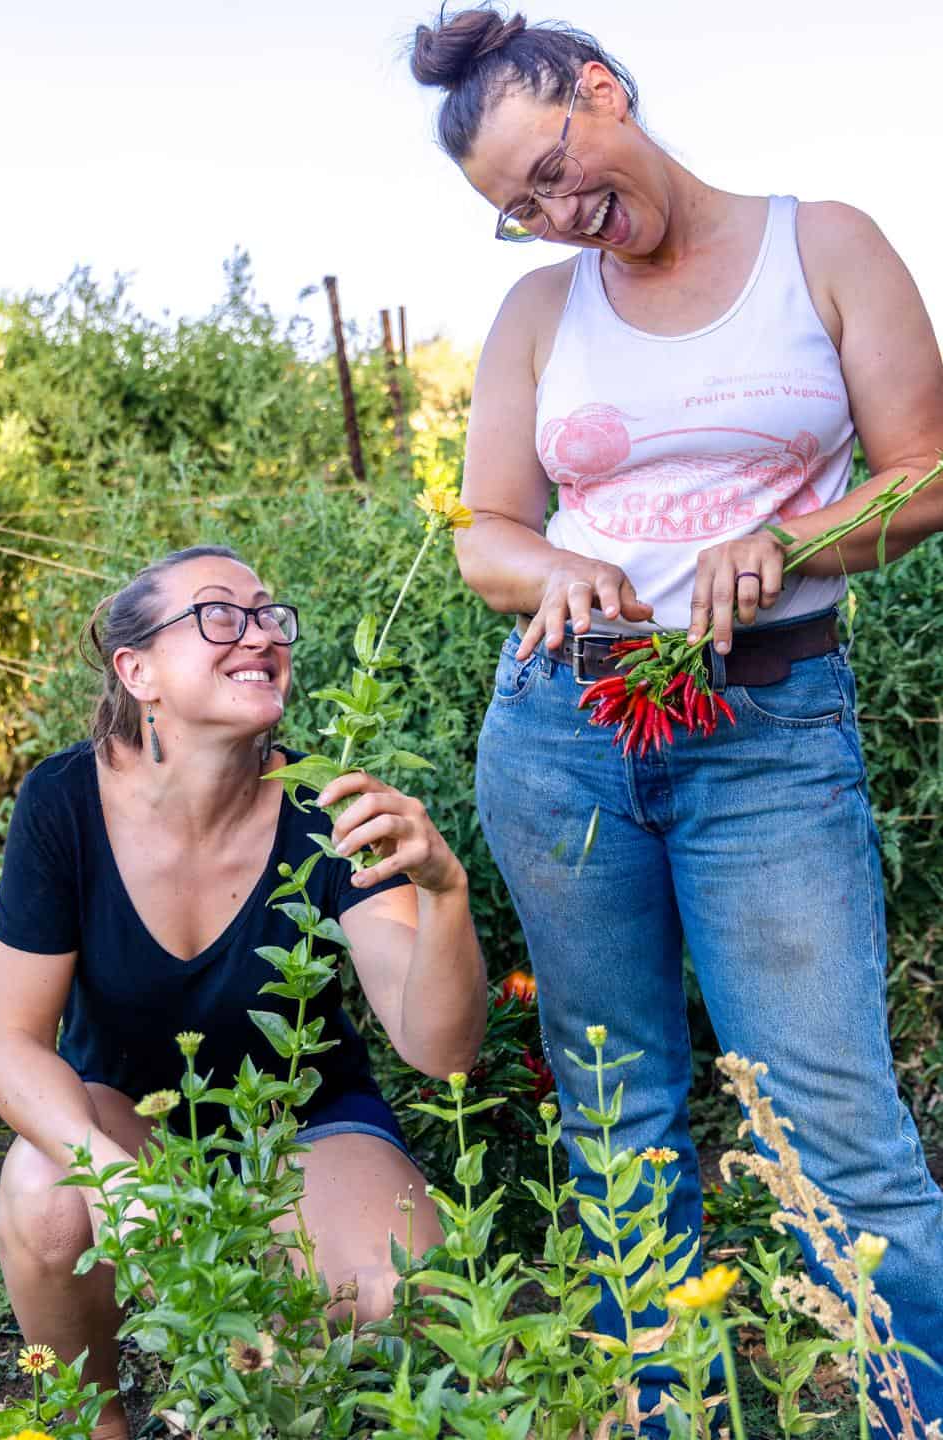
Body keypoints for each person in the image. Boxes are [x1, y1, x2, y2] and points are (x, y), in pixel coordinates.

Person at [410, 6, 943, 1432]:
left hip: (765, 733)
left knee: (839, 1130)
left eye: (554, 165)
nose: (558, 211)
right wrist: (558, 564)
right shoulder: (540, 315)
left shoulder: (822, 246)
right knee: (616, 1118)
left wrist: (796, 538)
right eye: (520, 208)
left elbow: (929, 476)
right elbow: (484, 539)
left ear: (604, 89)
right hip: (564, 735)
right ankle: (670, 1418)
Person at [0, 544, 486, 1440]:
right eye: (219, 614)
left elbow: (438, 1049)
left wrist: (447, 894)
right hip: (126, 1122)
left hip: (307, 1121)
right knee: (48, 1196)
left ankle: (273, 1387)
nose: (258, 634)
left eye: (267, 615)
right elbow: (11, 1042)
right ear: (138, 672)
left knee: (389, 1290)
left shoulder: (332, 806)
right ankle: (101, 1428)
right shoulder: (62, 801)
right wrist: (117, 1178)